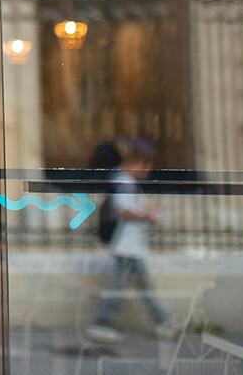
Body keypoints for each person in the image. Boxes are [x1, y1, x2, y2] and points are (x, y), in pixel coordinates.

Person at [86, 138, 178, 344]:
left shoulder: (124, 181)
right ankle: (102, 324)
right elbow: (124, 210)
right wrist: (149, 215)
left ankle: (164, 322)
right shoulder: (124, 182)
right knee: (121, 288)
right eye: (145, 165)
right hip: (126, 245)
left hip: (130, 246)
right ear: (134, 163)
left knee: (139, 286)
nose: (148, 170)